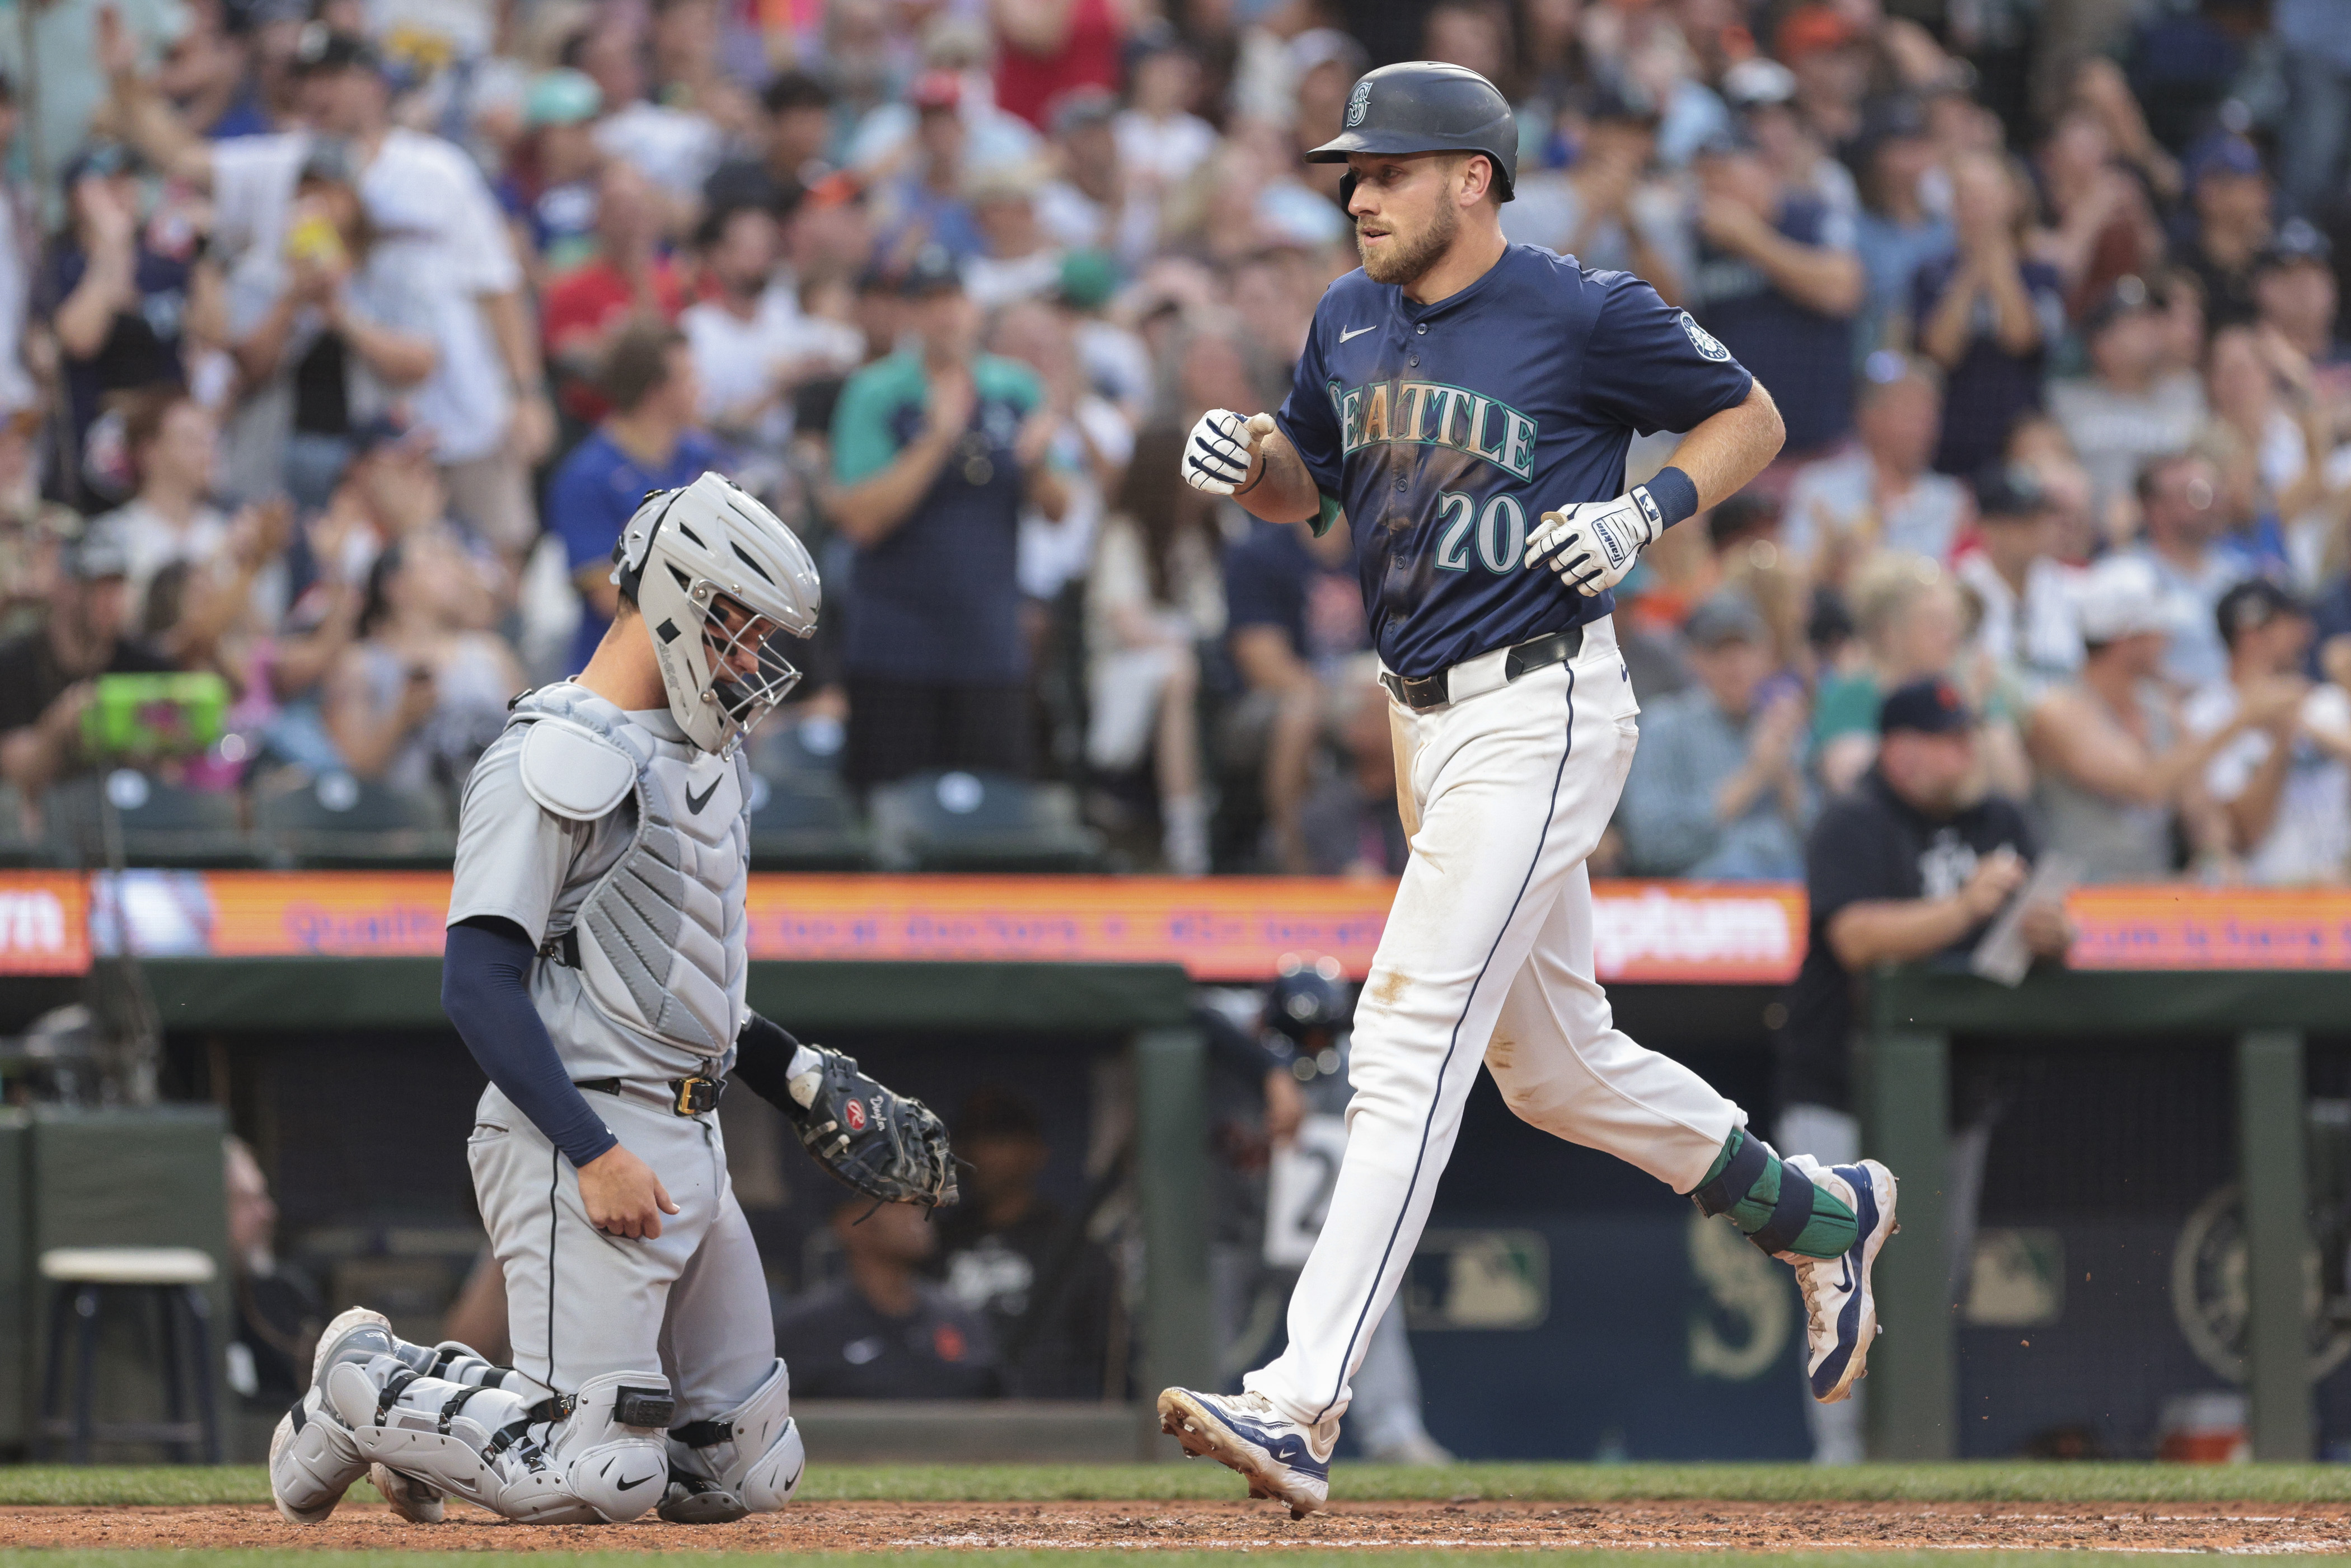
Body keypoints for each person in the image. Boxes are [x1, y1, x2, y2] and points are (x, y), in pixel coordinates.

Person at [1160, 62, 1886, 1517]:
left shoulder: (1581, 307)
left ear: (1473, 179)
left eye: (1386, 169)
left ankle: (1301, 1400)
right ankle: (1815, 1212)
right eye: (1349, 174)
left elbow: (1747, 418)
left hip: (1542, 698)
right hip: (1419, 722)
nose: (1356, 191)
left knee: (1409, 1024)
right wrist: (1248, 465)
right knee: (1552, 1070)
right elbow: (1309, 487)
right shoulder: (1344, 315)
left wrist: (1645, 506)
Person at [266, 474, 953, 1527]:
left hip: (690, 1133)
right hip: (576, 1129)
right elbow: (477, 982)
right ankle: (360, 1381)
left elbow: (677, 989)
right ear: (686, 597)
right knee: (594, 1472)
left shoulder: (705, 760)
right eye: (740, 630)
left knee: (744, 1470)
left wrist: (804, 1081)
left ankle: (434, 1431)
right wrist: (591, 1150)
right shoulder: (556, 752)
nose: (750, 662)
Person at [108, 25, 556, 560]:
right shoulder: (284, 164)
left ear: (371, 83)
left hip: (462, 412)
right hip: (365, 437)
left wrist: (526, 393)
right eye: (308, 79)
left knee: (493, 562)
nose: (317, 92)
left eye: (332, 77)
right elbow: (184, 162)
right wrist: (124, 77)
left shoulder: (437, 168)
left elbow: (498, 287)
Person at [1773, 674, 2069, 1463]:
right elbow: (1857, 938)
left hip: (1956, 1092)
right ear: (1900, 750)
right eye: (1948, 739)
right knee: (1839, 1284)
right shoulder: (1856, 818)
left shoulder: (2001, 816)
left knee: (1930, 1282)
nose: (1966, 751)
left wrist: (2047, 930)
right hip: (1841, 1085)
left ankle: (1912, 1453)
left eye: (1969, 735)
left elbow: (2052, 921)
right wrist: (1968, 908)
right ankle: (1842, 1459)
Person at [827, 244, 1067, 791]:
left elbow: (1060, 508)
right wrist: (935, 443)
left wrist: (1036, 465)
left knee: (994, 823)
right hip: (895, 646)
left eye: (954, 298)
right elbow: (861, 519)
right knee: (888, 811)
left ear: (974, 307)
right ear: (909, 315)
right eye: (929, 301)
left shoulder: (1016, 390)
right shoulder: (876, 392)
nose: (945, 314)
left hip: (989, 645)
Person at [221, 139, 438, 509]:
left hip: (365, 460)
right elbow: (248, 367)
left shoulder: (390, 272)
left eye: (329, 192)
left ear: (353, 199)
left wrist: (339, 313)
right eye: (306, 193)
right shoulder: (259, 273)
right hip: (272, 457)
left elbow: (420, 363)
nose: (318, 206)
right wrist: (292, 298)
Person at [2025, 553, 2252, 881]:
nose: (2169, 641)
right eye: (2158, 630)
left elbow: (2199, 804)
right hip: (2082, 898)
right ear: (2125, 639)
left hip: (2151, 899)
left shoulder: (2158, 707)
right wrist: (2241, 719)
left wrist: (2214, 858)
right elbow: (2147, 786)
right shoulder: (2059, 709)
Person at [546, 320, 727, 676]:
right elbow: (609, 597)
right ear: (655, 392)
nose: (700, 388)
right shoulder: (586, 477)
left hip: (703, 659)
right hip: (623, 677)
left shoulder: (703, 457)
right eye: (688, 377)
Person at [1085, 423, 1223, 874]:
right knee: (1174, 671)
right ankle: (1187, 832)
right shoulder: (1122, 534)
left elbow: (1213, 622)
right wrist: (1179, 639)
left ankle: (1198, 811)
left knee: (1181, 668)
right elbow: (1130, 627)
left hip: (1189, 669)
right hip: (1122, 673)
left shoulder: (1194, 539)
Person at [1683, 125, 1863, 459]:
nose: (1714, 187)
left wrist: (1751, 240)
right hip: (1735, 446)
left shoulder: (1808, 217)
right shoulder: (1698, 243)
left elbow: (1842, 291)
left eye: (1724, 172)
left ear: (1763, 171)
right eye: (1705, 177)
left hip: (1817, 443)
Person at [931, 1089, 1116, 1398]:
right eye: (972, 1140)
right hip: (950, 1417)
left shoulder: (1073, 1247)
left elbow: (1104, 1356)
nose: (982, 1154)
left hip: (1042, 1423)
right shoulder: (937, 1241)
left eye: (999, 1140)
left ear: (1036, 1151)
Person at [1616, 592, 1809, 879]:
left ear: (1768, 656)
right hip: (1699, 905)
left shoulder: (1783, 725)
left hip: (1786, 901)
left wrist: (1784, 773)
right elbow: (1650, 844)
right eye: (1720, 651)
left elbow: (1819, 841)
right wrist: (1754, 776)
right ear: (1695, 659)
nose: (1736, 664)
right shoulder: (1665, 725)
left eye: (1746, 649)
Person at [1910, 151, 2064, 480]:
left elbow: (2021, 338)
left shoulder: (2041, 275)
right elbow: (1939, 352)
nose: (1974, 205)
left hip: (2017, 442)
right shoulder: (1930, 273)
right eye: (1964, 194)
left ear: (2012, 200)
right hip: (1946, 440)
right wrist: (1971, 270)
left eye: (1983, 194)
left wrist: (1997, 260)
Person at [2185, 579, 2351, 884]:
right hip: (2265, 908)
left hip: (2338, 896)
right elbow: (2244, 834)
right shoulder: (2205, 715)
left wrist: (2306, 722)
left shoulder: (2325, 702)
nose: (2306, 633)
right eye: (2291, 623)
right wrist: (2280, 742)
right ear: (2251, 635)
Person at [0, 527, 175, 804]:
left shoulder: (145, 664)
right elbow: (15, 773)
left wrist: (144, 738)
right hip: (49, 820)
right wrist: (57, 730)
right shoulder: (16, 663)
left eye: (117, 587)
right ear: (67, 588)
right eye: (98, 587)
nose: (112, 601)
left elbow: (173, 770)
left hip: (130, 818)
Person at [778, 1196, 1001, 1398]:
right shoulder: (806, 1328)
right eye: (901, 1203)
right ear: (852, 1222)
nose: (919, 1212)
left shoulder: (961, 1318)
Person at [1781, 355, 1968, 577]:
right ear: (1869, 416)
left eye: (1930, 414)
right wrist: (1832, 555)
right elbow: (1794, 582)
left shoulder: (1952, 501)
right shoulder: (1818, 488)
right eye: (1910, 412)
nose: (1923, 427)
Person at [2047, 277, 2207, 517]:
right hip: (2090, 533)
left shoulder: (2186, 393)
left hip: (2170, 533)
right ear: (2101, 344)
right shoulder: (2066, 399)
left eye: (2151, 320)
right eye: (2133, 323)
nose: (2149, 330)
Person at [1953, 464, 2083, 696]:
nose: (2037, 530)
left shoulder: (2065, 585)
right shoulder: (1960, 589)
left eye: (2039, 518)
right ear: (1988, 527)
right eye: (2022, 522)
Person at [2130, 450, 2255, 690]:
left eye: (2216, 493)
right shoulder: (2128, 577)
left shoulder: (2242, 574)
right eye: (2198, 495)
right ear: (2155, 508)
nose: (2213, 505)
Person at [1299, 667, 1410, 877]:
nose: (1408, 724)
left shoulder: (1427, 797)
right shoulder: (1326, 810)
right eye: (1390, 714)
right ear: (1354, 729)